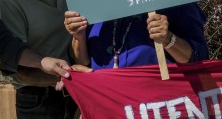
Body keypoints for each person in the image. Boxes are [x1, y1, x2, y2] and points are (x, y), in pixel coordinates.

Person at [64, 4, 209, 70]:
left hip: (159, 108)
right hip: (111, 110)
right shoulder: (94, 5)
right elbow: (84, 62)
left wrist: (167, 39)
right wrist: (79, 37)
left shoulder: (173, 1)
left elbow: (198, 58)